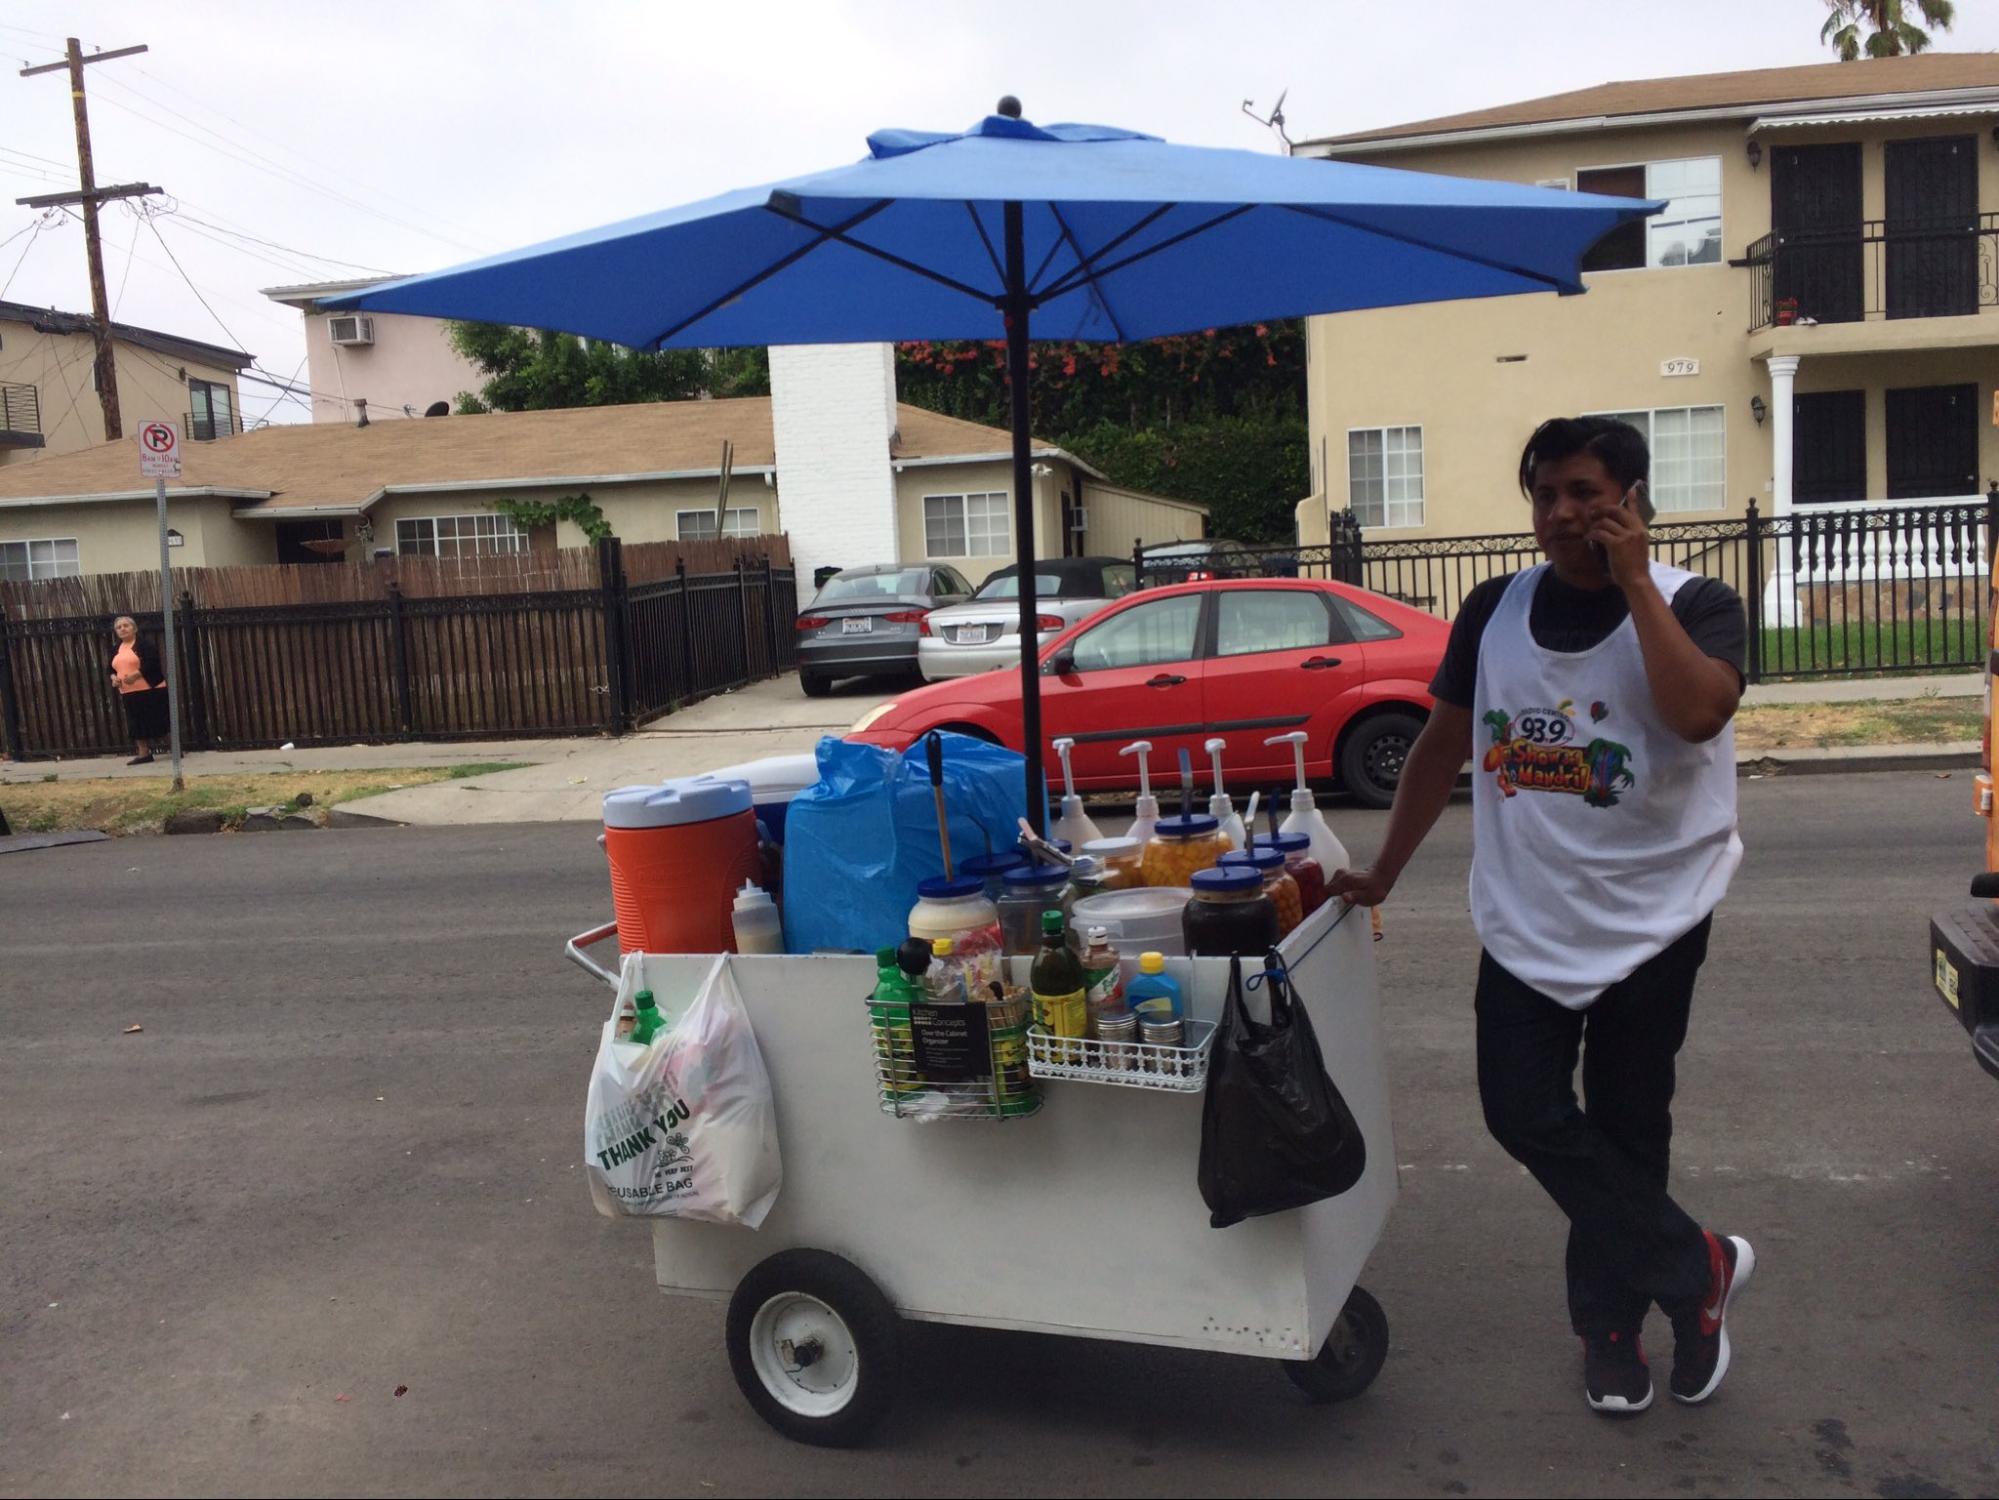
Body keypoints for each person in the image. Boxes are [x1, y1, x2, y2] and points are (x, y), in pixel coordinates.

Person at [1329, 416, 1752, 1418]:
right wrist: (1384, 869)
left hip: (1654, 920)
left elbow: (1697, 713)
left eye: (1583, 493)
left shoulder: (1698, 603)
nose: (1560, 514)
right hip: (1525, 916)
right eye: (1544, 494)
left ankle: (1610, 1331)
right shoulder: (1495, 608)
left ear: (1631, 499)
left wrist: (1635, 582)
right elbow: (1441, 746)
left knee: (1627, 1128)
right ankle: (1692, 1267)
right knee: (1521, 1111)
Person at [109, 615, 169, 767]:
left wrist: (136, 675)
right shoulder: (116, 648)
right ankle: (144, 753)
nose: (122, 629)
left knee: (158, 718)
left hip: (151, 689)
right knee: (135, 722)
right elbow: (110, 668)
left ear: (134, 628)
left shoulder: (144, 645)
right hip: (128, 692)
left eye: (126, 626)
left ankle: (173, 747)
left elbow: (152, 663)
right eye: (119, 627)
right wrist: (114, 678)